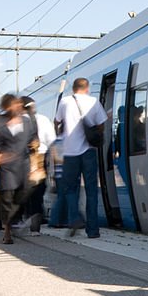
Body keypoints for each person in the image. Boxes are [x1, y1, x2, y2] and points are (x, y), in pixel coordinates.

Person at [53, 77, 107, 238]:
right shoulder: (94, 102)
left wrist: (62, 134)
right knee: (91, 191)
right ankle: (93, 230)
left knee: (70, 189)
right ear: (87, 88)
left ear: (74, 88)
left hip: (69, 153)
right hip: (88, 151)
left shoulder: (65, 101)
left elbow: (57, 122)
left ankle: (74, 218)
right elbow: (102, 124)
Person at [0, 94, 35, 245]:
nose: (15, 108)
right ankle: (7, 230)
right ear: (5, 108)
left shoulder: (28, 122)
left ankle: (14, 219)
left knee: (23, 192)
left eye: (17, 105)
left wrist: (35, 156)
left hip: (23, 164)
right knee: (6, 197)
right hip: (7, 165)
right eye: (11, 106)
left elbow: (33, 139)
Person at [21, 95, 56, 234]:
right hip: (41, 159)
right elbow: (52, 142)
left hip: (23, 159)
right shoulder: (43, 119)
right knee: (37, 192)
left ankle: (24, 217)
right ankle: (35, 224)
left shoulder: (17, 122)